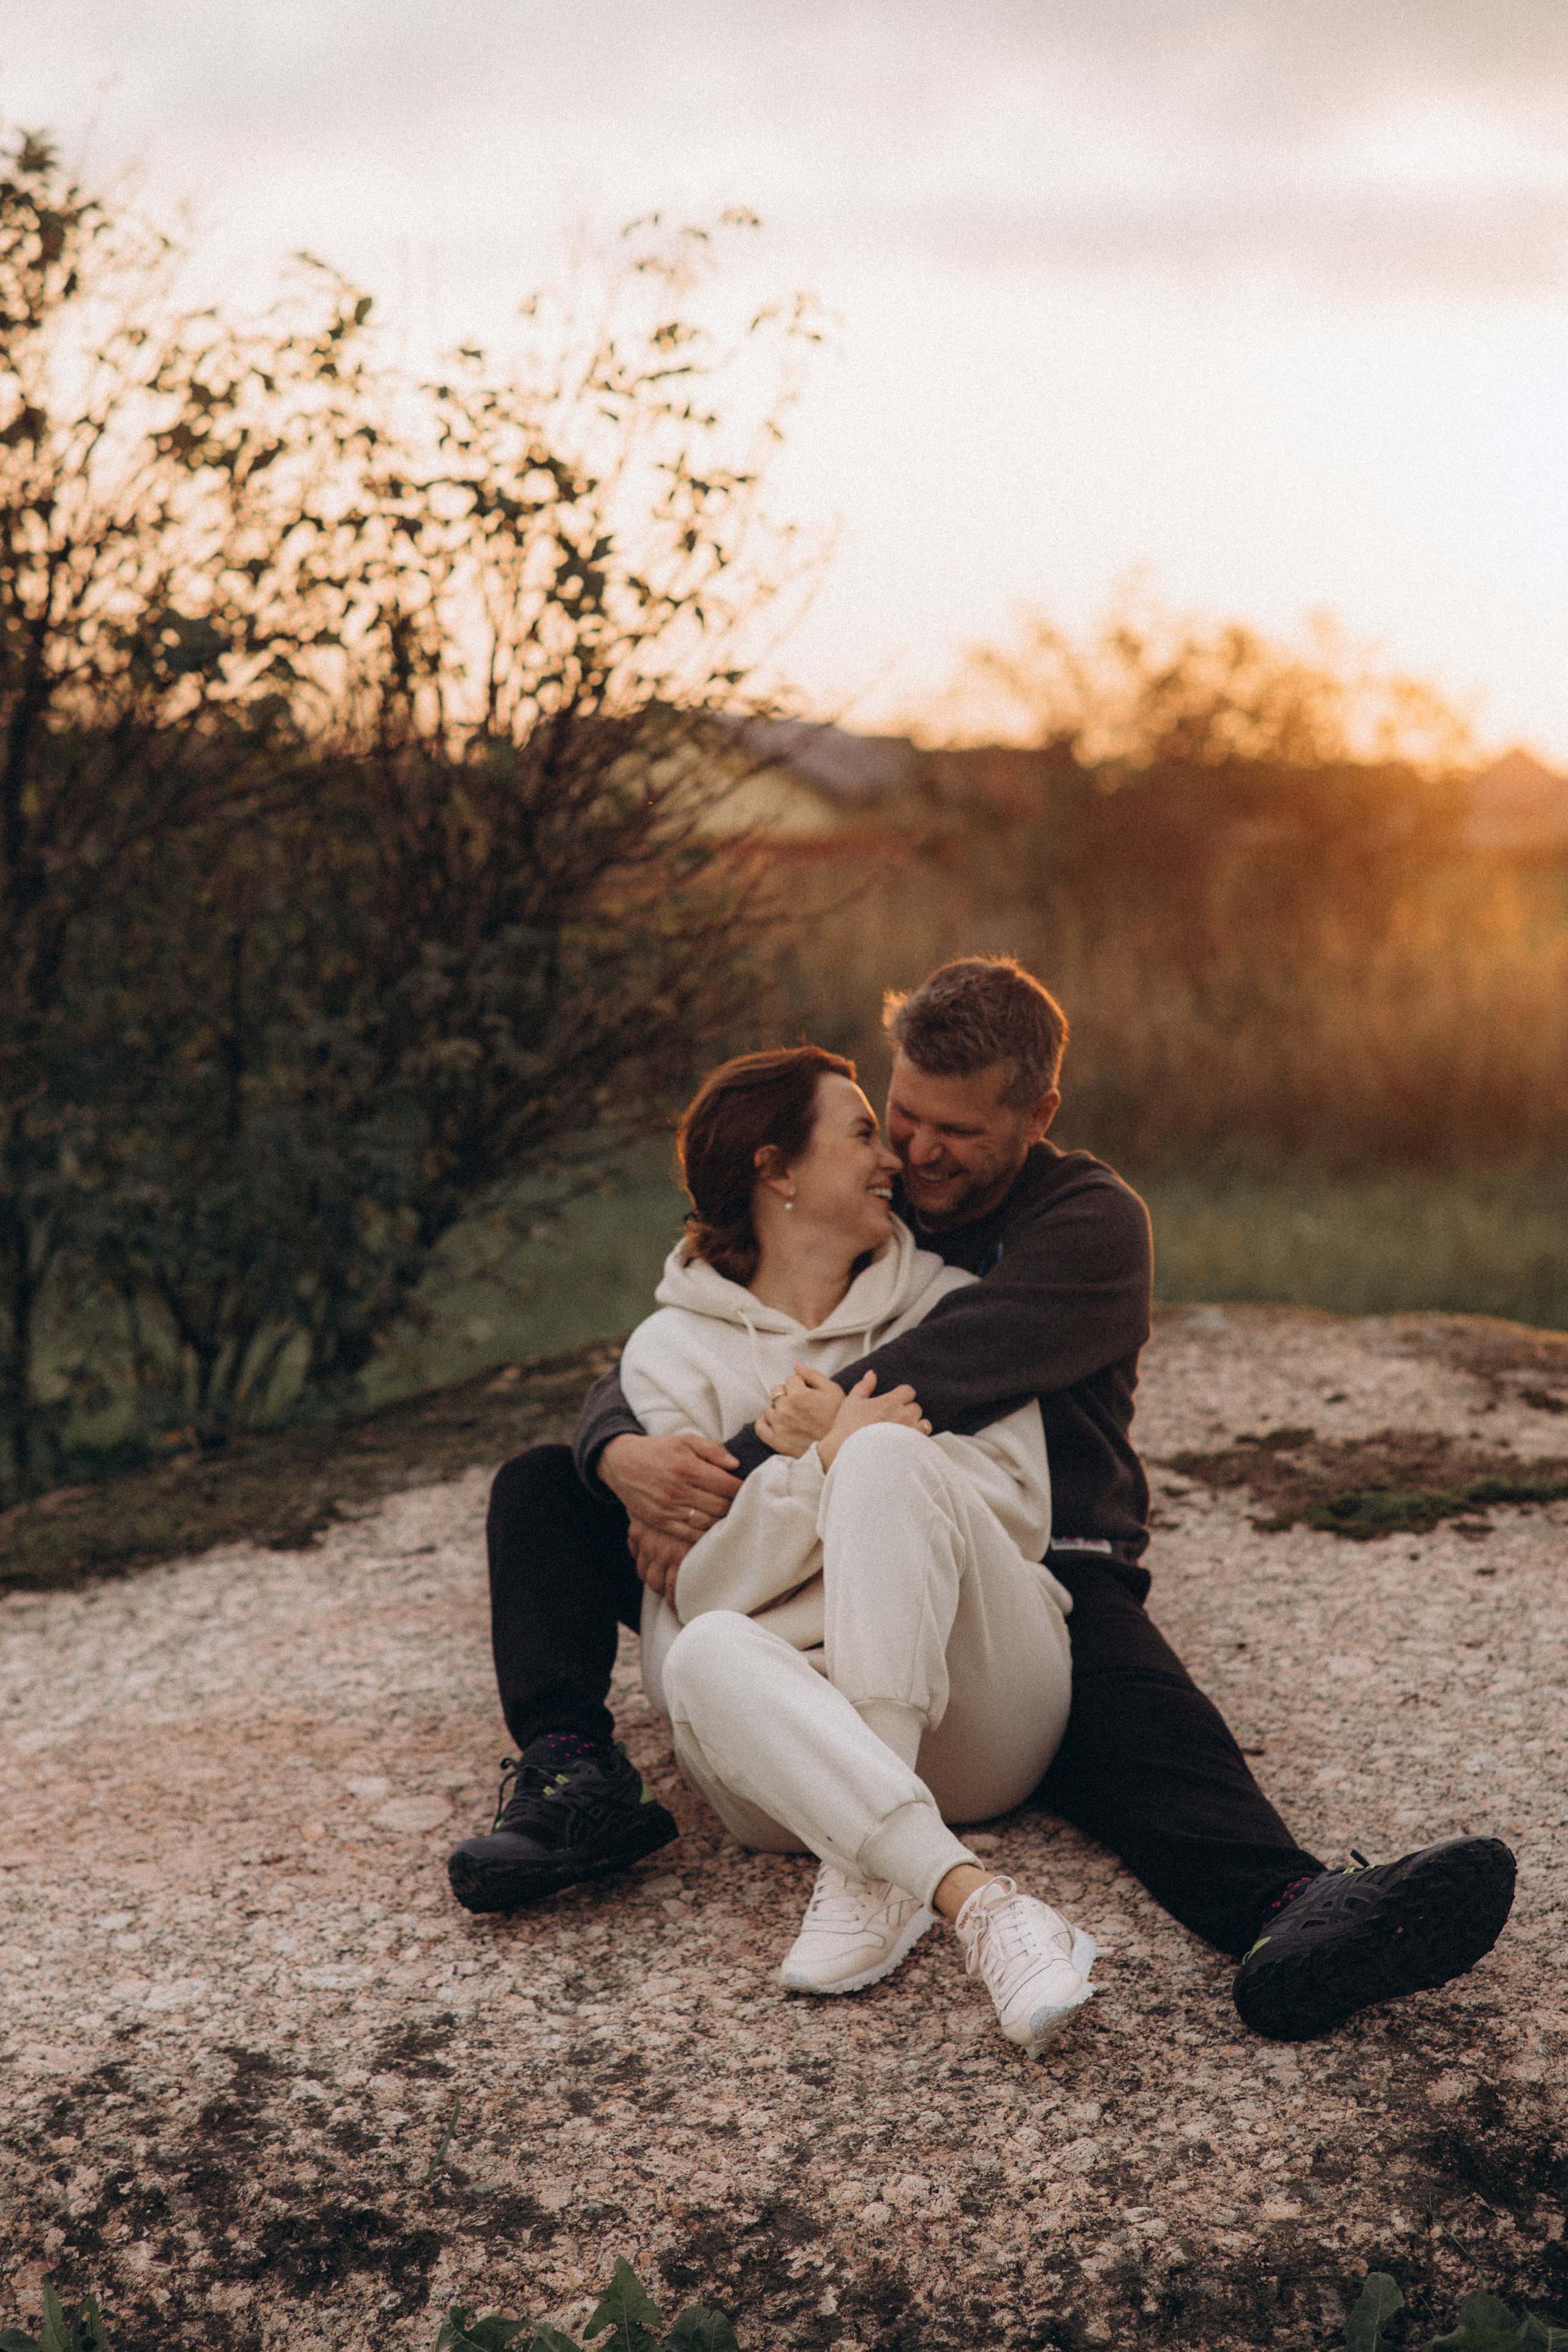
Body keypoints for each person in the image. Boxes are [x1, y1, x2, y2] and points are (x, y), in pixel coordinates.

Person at [449, 957, 1516, 2044]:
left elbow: (935, 1368)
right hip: (814, 1546)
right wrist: (621, 1448)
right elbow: (714, 1305)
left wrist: (736, 1468)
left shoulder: (1084, 1223)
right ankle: (574, 1775)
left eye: (950, 1131)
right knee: (544, 1487)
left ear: (1036, 1112)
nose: (912, 1153)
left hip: (1043, 1551)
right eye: (897, 1117)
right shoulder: (875, 1194)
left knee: (1146, 1735)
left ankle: (1290, 1909)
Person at [612, 1044, 1096, 2056]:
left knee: (877, 1454)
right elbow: (699, 1591)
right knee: (701, 1652)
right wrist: (802, 1473)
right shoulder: (669, 1354)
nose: (896, 1161)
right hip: (785, 1759)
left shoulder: (954, 1305)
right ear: (776, 1169)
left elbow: (1014, 1515)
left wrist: (855, 1458)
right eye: (866, 1133)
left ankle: (873, 1862)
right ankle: (969, 1899)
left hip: (976, 1708)